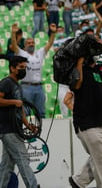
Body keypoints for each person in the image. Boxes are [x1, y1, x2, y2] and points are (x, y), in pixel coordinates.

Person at [69, 54, 102, 188]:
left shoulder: (100, 73)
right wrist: (80, 60)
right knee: (100, 159)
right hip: (87, 122)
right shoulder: (77, 71)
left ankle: (78, 181)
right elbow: (76, 85)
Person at [0, 55, 39, 188]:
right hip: (8, 129)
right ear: (12, 68)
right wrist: (13, 102)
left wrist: (28, 125)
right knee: (23, 159)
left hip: (15, 129)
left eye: (25, 67)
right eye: (21, 67)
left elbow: (20, 108)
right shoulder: (6, 82)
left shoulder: (17, 85)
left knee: (7, 165)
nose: (24, 70)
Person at [11, 23, 56, 118]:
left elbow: (50, 43)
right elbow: (14, 46)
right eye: (29, 43)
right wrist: (13, 33)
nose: (31, 44)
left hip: (39, 87)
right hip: (26, 87)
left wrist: (53, 32)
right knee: (26, 112)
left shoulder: (40, 53)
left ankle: (42, 132)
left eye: (32, 42)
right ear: (25, 45)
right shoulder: (22, 53)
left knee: (41, 113)